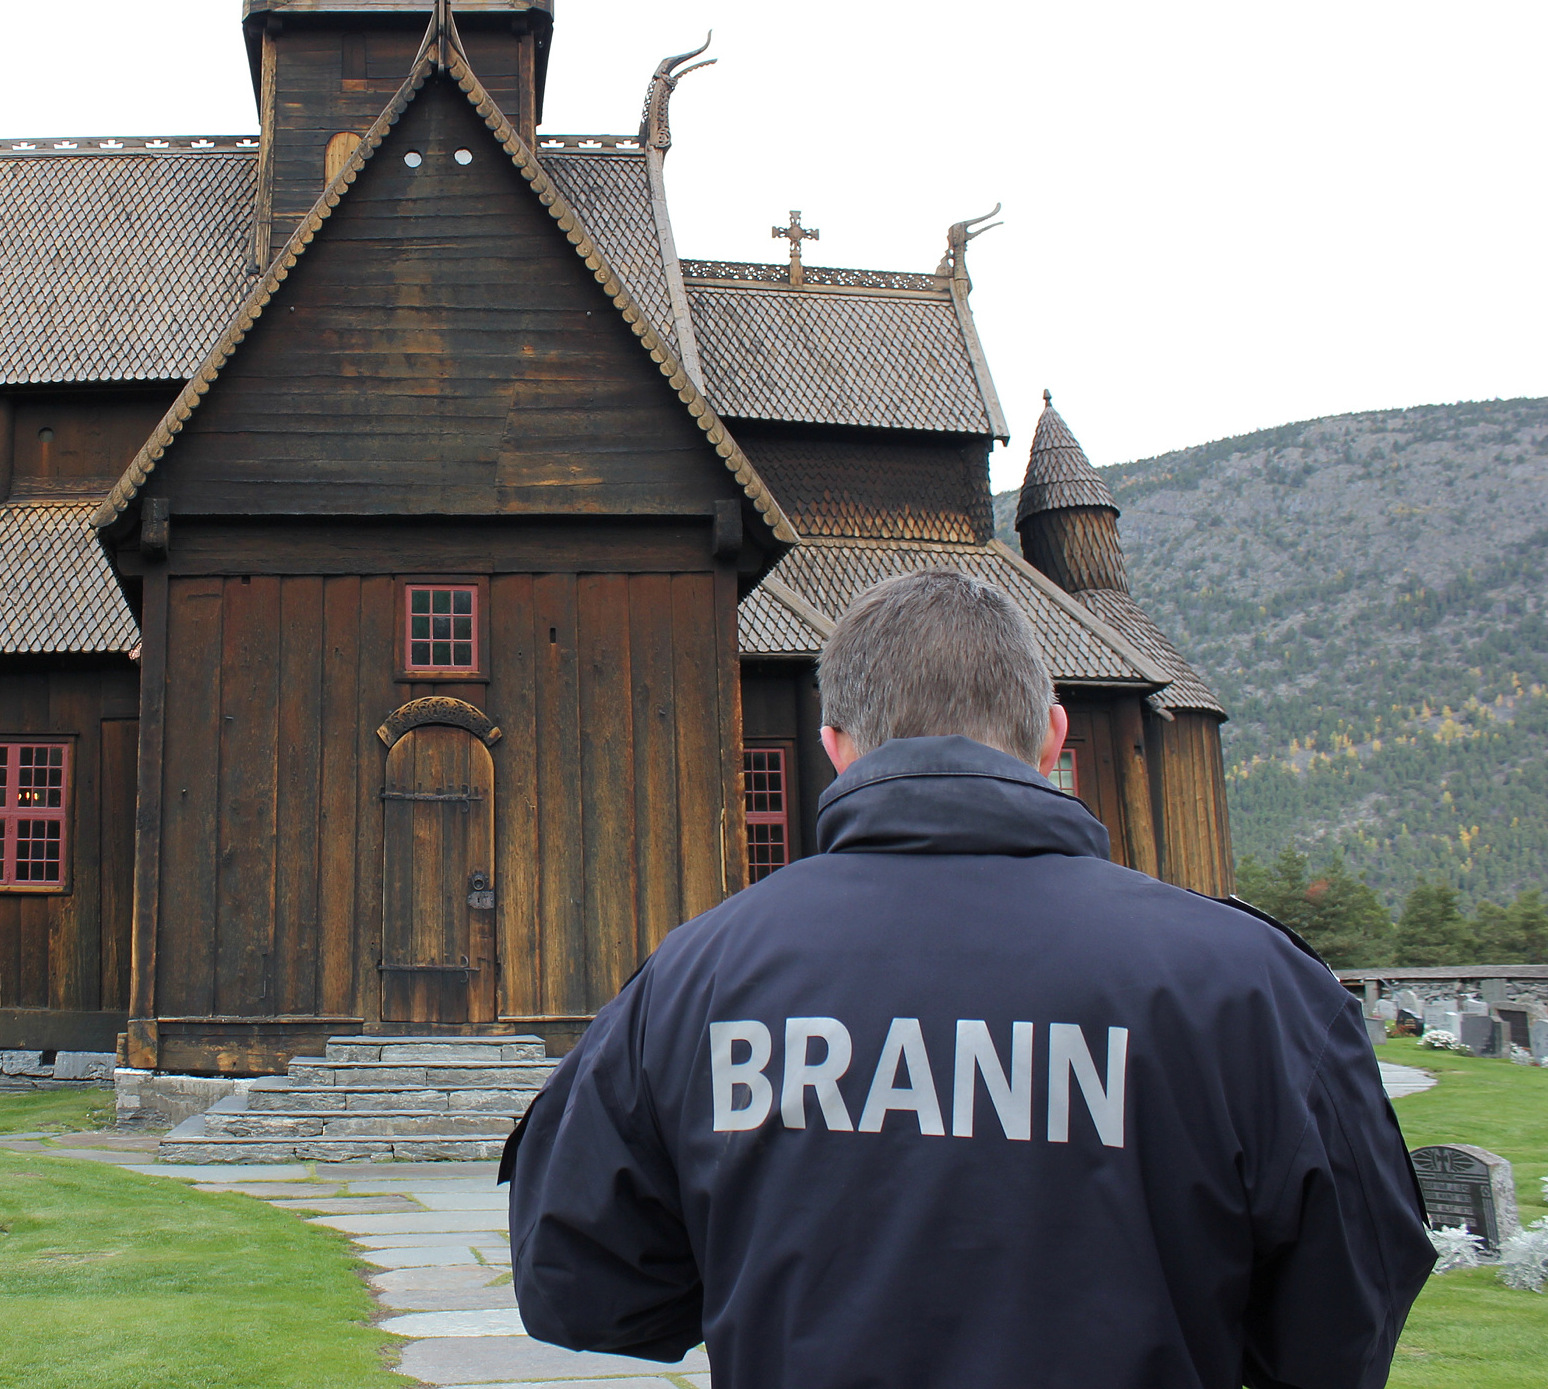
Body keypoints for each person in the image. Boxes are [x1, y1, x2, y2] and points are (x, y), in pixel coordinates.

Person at [505, 571, 1432, 1389]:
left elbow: (580, 1284)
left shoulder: (697, 977)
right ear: (1051, 736)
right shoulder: (1251, 987)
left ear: (835, 744)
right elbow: (1347, 1314)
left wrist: (769, 1292)